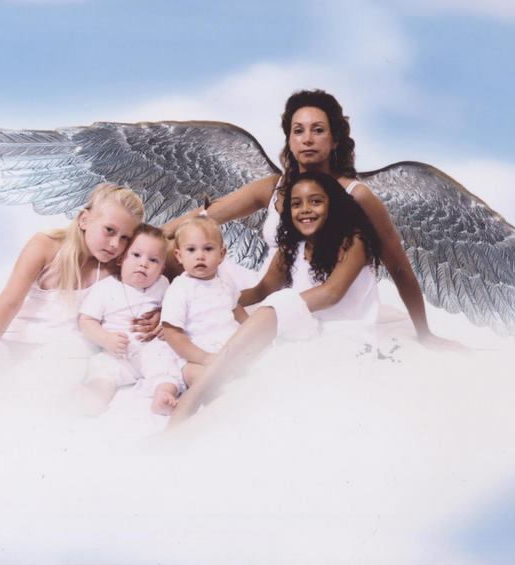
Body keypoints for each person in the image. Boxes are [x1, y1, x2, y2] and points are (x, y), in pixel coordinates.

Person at [160, 89, 455, 349]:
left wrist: (424, 333)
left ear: (335, 139)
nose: (307, 140)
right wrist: (153, 235)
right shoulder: (272, 187)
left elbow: (398, 265)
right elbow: (205, 217)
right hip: (267, 287)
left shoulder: (357, 195)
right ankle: (151, 315)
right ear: (289, 140)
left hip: (313, 304)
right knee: (167, 249)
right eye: (298, 131)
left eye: (318, 130)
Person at [168, 171, 382, 426]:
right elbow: (263, 290)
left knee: (275, 311)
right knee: (263, 332)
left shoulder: (353, 241)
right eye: (296, 204)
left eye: (316, 201)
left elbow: (331, 294)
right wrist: (214, 297)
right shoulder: (292, 246)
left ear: (333, 205)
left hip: (344, 333)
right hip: (306, 326)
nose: (305, 210)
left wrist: (276, 310)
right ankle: (214, 399)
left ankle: (186, 409)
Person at [0, 182, 145, 369]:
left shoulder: (115, 267)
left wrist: (161, 317)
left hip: (60, 357)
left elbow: (166, 241)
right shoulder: (46, 246)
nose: (115, 244)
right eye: (109, 230)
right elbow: (9, 303)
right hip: (14, 340)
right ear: (84, 220)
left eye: (125, 237)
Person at [78, 224, 183, 415]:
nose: (144, 263)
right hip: (118, 353)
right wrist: (105, 339)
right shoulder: (106, 288)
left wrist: (164, 321)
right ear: (121, 259)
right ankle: (96, 396)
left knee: (166, 366)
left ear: (162, 269)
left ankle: (164, 395)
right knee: (104, 370)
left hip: (152, 349)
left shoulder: (163, 284)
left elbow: (175, 308)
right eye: (136, 255)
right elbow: (86, 320)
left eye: (153, 260)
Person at [161, 217, 249, 389]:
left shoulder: (225, 281)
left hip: (230, 347)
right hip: (196, 354)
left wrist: (251, 329)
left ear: (221, 255)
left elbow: (236, 309)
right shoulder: (180, 288)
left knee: (258, 364)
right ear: (179, 256)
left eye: (208, 249)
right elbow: (172, 333)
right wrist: (206, 358)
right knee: (201, 378)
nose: (200, 256)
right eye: (191, 250)